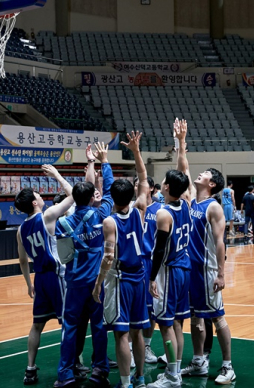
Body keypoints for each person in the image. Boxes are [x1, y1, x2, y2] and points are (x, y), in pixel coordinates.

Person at [174, 118, 236, 385]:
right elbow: (183, 169)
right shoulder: (190, 200)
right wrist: (180, 142)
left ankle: (227, 366)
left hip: (208, 270)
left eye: (207, 173)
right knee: (196, 319)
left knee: (218, 318)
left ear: (212, 184)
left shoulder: (213, 207)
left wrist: (222, 274)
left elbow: (221, 243)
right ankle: (199, 362)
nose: (201, 174)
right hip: (190, 270)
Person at [92, 131, 150, 388]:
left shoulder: (109, 220)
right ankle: (139, 378)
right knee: (137, 332)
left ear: (111, 198)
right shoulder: (140, 209)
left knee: (121, 334)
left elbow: (108, 257)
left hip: (120, 279)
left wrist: (97, 284)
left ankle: (125, 383)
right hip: (140, 277)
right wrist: (136, 152)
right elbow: (144, 178)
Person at [55, 142, 113, 388]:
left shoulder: (62, 223)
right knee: (99, 328)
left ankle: (66, 375)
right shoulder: (101, 216)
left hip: (75, 283)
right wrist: (104, 162)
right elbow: (109, 192)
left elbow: (65, 257)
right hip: (97, 283)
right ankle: (99, 370)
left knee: (70, 328)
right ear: (92, 198)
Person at [14, 165, 76, 385]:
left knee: (37, 325)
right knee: (67, 323)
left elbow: (22, 260)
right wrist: (57, 175)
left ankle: (30, 368)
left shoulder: (20, 230)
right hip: (56, 276)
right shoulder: (47, 216)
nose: (41, 196)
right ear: (34, 202)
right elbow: (74, 195)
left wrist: (28, 283)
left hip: (39, 278)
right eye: (38, 195)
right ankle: (68, 367)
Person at [147, 167, 192, 388]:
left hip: (169, 270)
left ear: (166, 187)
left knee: (165, 325)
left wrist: (152, 278)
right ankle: (175, 371)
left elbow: (159, 250)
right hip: (184, 267)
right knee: (177, 324)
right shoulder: (186, 203)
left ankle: (173, 376)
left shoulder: (164, 213)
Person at [134, 175, 162, 365]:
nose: (138, 187)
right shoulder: (130, 207)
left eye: (141, 184)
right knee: (135, 306)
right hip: (135, 261)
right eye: (136, 184)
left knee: (152, 308)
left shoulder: (160, 209)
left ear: (151, 188)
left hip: (153, 262)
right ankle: (131, 347)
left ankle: (146, 345)